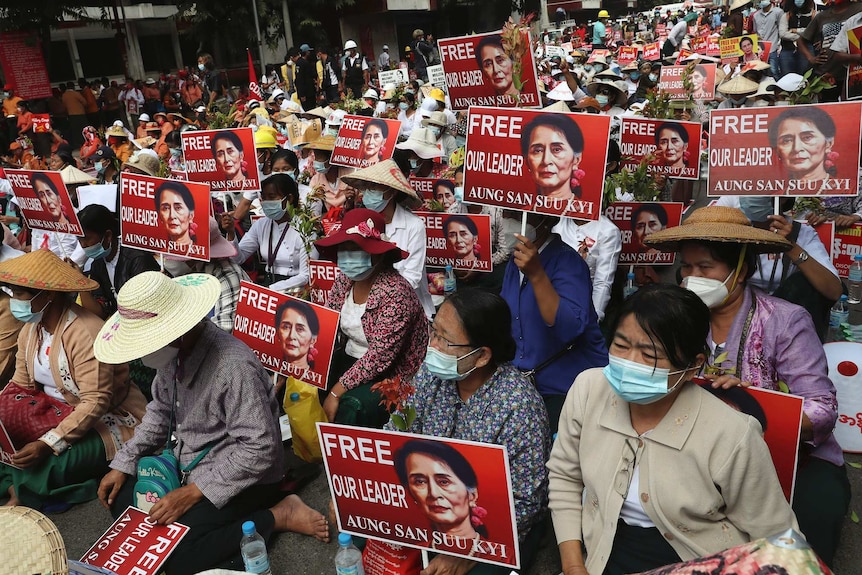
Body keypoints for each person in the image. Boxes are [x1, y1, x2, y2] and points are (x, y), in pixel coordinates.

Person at [644, 206, 849, 567]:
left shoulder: (785, 321)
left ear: (741, 271)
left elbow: (822, 410)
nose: (693, 277)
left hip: (792, 458)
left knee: (804, 534)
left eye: (705, 268)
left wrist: (750, 403)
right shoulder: (677, 319)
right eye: (687, 268)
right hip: (699, 452)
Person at [547, 284, 797, 575]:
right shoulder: (588, 390)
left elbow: (776, 537)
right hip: (602, 551)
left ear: (693, 366)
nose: (629, 363)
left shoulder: (732, 433)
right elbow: (565, 475)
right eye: (621, 345)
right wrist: (574, 564)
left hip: (698, 561)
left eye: (650, 354)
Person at [95, 271, 329, 574]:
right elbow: (160, 412)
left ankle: (278, 514)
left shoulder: (233, 367)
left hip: (245, 476)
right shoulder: (172, 356)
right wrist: (124, 462)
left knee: (176, 555)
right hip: (187, 463)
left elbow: (260, 450)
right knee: (122, 499)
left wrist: (192, 493)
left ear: (176, 331)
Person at [392, 289, 550, 574]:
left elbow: (526, 502)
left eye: (446, 340)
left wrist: (467, 551)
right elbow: (397, 430)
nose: (434, 347)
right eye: (434, 332)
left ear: (482, 356)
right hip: (430, 504)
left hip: (493, 524)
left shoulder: (518, 406)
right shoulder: (431, 375)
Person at [0, 250, 147, 510]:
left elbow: (95, 401)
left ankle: (21, 487)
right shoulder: (31, 329)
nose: (15, 301)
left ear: (47, 295)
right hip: (48, 413)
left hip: (104, 419)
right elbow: (20, 384)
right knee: (14, 454)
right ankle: (19, 486)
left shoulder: (86, 331)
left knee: (45, 465)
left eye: (20, 294)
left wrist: (48, 442)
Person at [314, 208, 428, 427]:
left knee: (351, 406)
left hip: (391, 373)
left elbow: (379, 357)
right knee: (307, 386)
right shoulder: (344, 281)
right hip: (351, 356)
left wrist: (336, 393)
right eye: (343, 250)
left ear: (378, 253)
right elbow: (328, 323)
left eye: (355, 250)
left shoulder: (396, 293)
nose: (347, 258)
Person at [501, 212, 608, 432]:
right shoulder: (514, 263)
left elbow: (568, 328)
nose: (508, 219)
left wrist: (537, 274)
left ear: (546, 220)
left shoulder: (568, 262)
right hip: (526, 387)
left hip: (567, 387)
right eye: (506, 213)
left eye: (518, 215)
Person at [342, 160, 435, 319]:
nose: (369, 193)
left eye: (375, 188)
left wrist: (377, 295)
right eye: (367, 188)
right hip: (365, 307)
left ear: (391, 192)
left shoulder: (414, 226)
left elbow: (412, 278)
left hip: (407, 307)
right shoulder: (362, 224)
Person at [223, 173, 308, 292]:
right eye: (264, 198)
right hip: (268, 283)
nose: (266, 202)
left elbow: (305, 275)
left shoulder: (305, 228)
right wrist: (231, 233)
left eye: (272, 197)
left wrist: (271, 289)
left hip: (294, 289)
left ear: (289, 198)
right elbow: (238, 259)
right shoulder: (261, 224)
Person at [76, 204, 160, 319]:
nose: (83, 245)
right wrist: (79, 281)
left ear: (108, 236)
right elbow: (99, 312)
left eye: (86, 238)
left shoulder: (137, 260)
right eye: (79, 239)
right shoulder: (98, 264)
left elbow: (146, 306)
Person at [521, 114, 584, 204]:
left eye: (556, 150)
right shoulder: (523, 213)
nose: (546, 161)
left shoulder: (591, 215)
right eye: (538, 151)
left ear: (576, 159)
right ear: (527, 161)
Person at [768, 106, 835, 188]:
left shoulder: (849, 191)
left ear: (828, 144)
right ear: (777, 149)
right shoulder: (777, 194)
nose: (797, 148)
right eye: (787, 140)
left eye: (807, 138)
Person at [275, 298, 318, 374]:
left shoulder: (319, 383)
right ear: (278, 333)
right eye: (286, 327)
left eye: (300, 329)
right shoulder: (265, 374)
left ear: (312, 340)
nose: (292, 336)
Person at [155, 181, 196, 250]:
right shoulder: (158, 255)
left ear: (191, 215)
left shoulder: (204, 255)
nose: (172, 216)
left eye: (178, 208)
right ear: (160, 216)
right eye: (165, 208)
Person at [475, 35, 519, 99]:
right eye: (488, 64)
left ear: (513, 63)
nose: (496, 70)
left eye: (500, 60)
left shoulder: (532, 102)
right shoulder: (485, 107)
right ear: (483, 72)